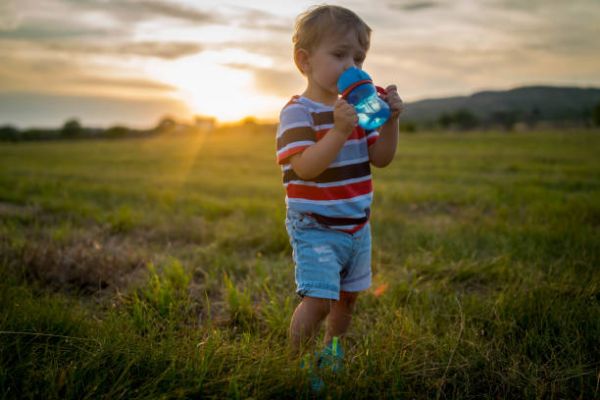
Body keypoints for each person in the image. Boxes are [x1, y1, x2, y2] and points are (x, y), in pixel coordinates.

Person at [276, 5, 404, 362]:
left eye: (359, 59)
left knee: (347, 300)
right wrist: (338, 131)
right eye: (339, 55)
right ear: (304, 60)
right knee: (318, 301)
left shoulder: (358, 111)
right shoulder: (297, 112)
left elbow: (381, 159)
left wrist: (390, 121)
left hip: (357, 227)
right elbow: (305, 168)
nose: (353, 67)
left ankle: (332, 352)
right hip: (316, 227)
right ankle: (294, 361)